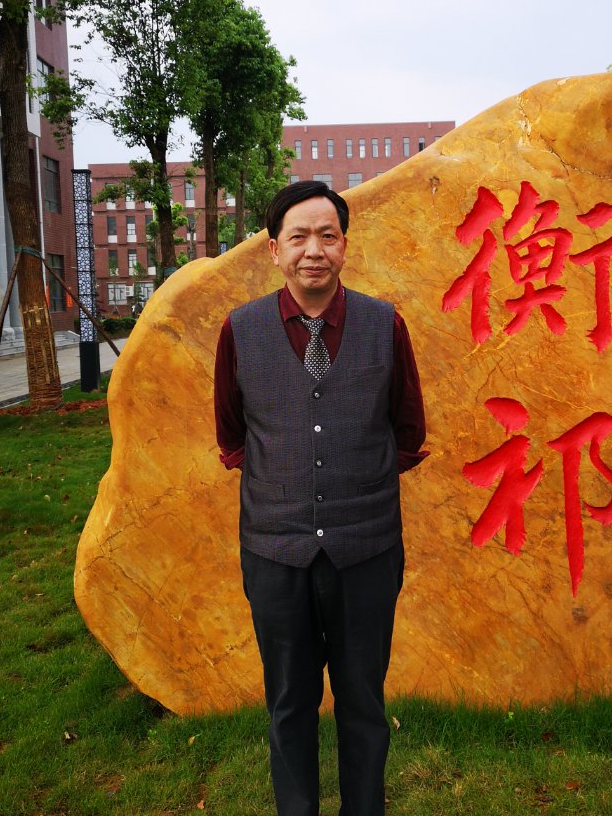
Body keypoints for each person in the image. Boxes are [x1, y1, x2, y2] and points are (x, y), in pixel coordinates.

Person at [214, 180, 428, 816]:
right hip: (274, 554)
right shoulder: (241, 330)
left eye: (327, 236)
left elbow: (408, 431)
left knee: (363, 701)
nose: (314, 250)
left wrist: (352, 485)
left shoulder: (384, 324)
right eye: (298, 237)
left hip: (366, 550)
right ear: (274, 250)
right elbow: (232, 436)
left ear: (344, 246)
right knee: (288, 703)